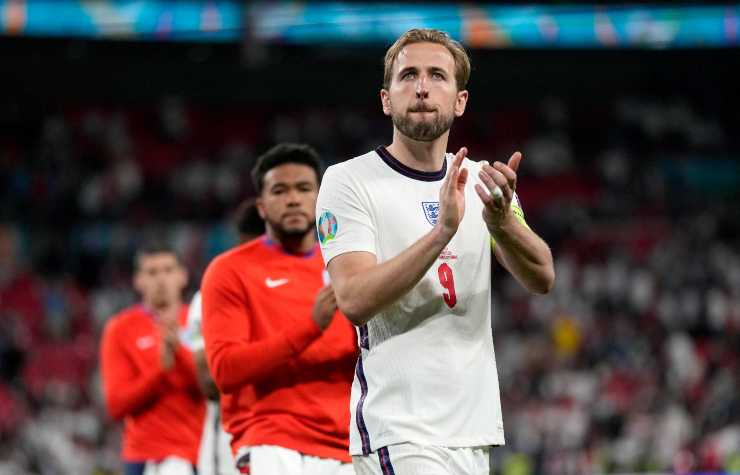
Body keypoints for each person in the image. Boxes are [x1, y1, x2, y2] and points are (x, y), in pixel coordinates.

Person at [316, 28, 555, 474]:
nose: (422, 87)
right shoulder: (349, 182)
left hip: (472, 428)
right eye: (408, 75)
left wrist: (503, 223)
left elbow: (542, 277)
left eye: (436, 76)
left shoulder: (485, 181)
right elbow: (353, 300)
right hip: (398, 427)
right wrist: (441, 232)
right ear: (386, 99)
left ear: (460, 101)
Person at [201, 144, 358, 475]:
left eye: (304, 188)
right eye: (279, 190)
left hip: (349, 444)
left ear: (320, 198)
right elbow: (226, 370)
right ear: (261, 206)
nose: (293, 199)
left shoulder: (348, 265)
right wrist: (310, 327)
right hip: (272, 441)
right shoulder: (229, 270)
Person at [100, 241, 206, 475]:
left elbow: (212, 389)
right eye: (152, 272)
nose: (161, 280)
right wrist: (160, 371)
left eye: (168, 270)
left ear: (182, 276)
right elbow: (116, 406)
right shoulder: (120, 328)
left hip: (201, 451)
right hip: (146, 454)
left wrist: (178, 352)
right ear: (138, 280)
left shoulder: (199, 322)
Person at [182, 199, 265, 475]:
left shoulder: (307, 287)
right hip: (231, 442)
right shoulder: (209, 297)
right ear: (242, 242)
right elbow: (209, 382)